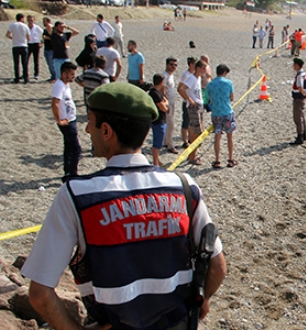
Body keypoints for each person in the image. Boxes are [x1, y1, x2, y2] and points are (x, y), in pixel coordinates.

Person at [21, 83, 228, 329]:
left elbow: (40, 294)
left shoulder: (77, 195)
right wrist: (202, 299)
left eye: (91, 122)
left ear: (106, 131)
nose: (87, 129)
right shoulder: (184, 186)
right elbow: (218, 268)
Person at [51, 62, 81, 182]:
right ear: (64, 74)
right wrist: (59, 120)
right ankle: (72, 174)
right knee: (76, 148)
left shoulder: (65, 85)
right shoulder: (59, 86)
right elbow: (55, 103)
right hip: (66, 122)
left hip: (71, 120)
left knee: (68, 146)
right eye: (72, 74)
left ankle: (68, 172)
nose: (74, 76)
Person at [178, 60, 208, 165]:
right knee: (197, 131)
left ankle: (192, 154)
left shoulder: (198, 78)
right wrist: (189, 100)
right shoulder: (192, 78)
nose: (205, 71)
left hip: (199, 105)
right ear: (198, 68)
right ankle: (192, 156)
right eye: (203, 68)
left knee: (196, 131)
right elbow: (181, 89)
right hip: (194, 107)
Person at [207, 64, 236, 169]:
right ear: (224, 72)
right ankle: (230, 159)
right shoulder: (229, 83)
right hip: (227, 112)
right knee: (229, 136)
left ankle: (217, 160)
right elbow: (231, 97)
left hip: (216, 113)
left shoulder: (210, 84)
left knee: (217, 137)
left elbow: (209, 99)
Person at [148, 74, 169, 167]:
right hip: (158, 121)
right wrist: (166, 103)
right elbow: (164, 107)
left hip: (159, 119)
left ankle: (157, 160)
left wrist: (165, 103)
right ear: (161, 82)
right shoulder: (155, 93)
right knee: (157, 143)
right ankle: (155, 163)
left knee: (158, 142)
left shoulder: (156, 92)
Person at [6, 13, 30, 84]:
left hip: (16, 45)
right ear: (22, 18)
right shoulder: (25, 26)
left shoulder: (12, 25)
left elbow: (7, 34)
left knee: (16, 63)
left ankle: (17, 78)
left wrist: (13, 38)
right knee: (25, 63)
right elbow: (29, 37)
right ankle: (26, 78)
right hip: (24, 45)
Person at [178, 56, 197, 149]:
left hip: (193, 102)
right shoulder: (186, 75)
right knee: (185, 122)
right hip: (187, 102)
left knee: (191, 122)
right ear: (191, 64)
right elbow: (180, 88)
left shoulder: (194, 74)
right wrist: (187, 99)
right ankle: (184, 141)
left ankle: (190, 138)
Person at [290, 58, 306, 145]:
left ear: (297, 65)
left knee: (297, 117)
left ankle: (300, 136)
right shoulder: (303, 73)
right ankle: (304, 134)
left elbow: (300, 86)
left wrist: (302, 93)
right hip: (301, 98)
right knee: (302, 116)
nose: (293, 66)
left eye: (294, 64)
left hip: (298, 98)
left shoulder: (300, 75)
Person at [163, 57, 179, 154]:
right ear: (166, 65)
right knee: (171, 124)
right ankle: (170, 145)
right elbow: (162, 91)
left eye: (175, 65)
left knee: (168, 123)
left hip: (172, 103)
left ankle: (165, 141)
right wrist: (166, 104)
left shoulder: (171, 75)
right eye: (171, 64)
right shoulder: (164, 76)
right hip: (167, 103)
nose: (173, 66)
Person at [26, 15, 43, 81]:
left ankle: (36, 74)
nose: (31, 22)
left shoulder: (36, 27)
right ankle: (25, 73)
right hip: (28, 44)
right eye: (29, 20)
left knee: (36, 60)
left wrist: (42, 42)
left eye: (32, 20)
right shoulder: (26, 27)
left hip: (36, 44)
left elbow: (43, 33)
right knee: (26, 60)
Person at [42, 17, 57, 82]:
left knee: (52, 64)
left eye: (44, 21)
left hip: (52, 49)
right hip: (46, 48)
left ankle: (55, 77)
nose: (43, 23)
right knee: (49, 64)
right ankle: (52, 76)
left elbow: (53, 38)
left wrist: (47, 37)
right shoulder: (45, 30)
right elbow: (43, 37)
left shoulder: (53, 30)